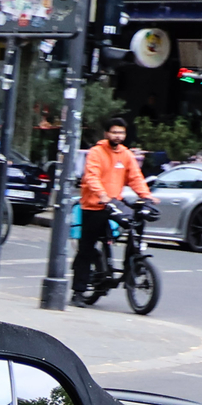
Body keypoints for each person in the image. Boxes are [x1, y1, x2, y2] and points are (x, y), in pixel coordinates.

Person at [73, 115, 152, 305]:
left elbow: (135, 177)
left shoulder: (126, 154)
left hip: (114, 203)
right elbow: (91, 176)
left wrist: (146, 196)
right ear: (107, 133)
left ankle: (133, 266)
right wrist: (101, 194)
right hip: (94, 205)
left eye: (121, 133)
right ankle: (78, 292)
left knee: (136, 223)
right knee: (86, 248)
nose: (118, 136)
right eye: (114, 132)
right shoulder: (96, 152)